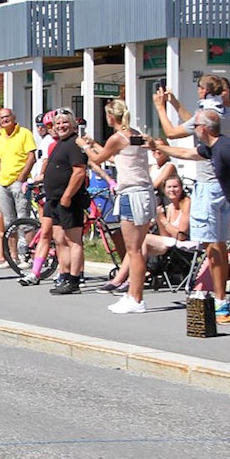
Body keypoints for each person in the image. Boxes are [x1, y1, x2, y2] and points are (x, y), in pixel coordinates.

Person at [153, 109, 230, 324]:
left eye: (195, 126)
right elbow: (188, 154)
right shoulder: (212, 147)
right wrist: (158, 146)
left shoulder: (226, 148)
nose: (193, 130)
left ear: (203, 129)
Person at [154, 86, 230, 315]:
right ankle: (220, 297)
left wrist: (160, 107)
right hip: (221, 186)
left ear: (206, 90)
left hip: (208, 188)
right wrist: (175, 103)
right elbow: (193, 123)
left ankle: (218, 298)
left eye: (199, 87)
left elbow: (172, 133)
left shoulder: (206, 116)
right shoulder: (226, 112)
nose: (197, 90)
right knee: (218, 245)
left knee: (212, 247)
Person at [82, 100, 155, 314]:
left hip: (131, 193)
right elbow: (117, 157)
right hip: (144, 192)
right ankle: (132, 293)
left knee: (134, 250)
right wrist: (94, 142)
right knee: (137, 248)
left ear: (110, 118)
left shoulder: (117, 137)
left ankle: (137, 298)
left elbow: (99, 158)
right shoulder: (134, 134)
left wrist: (85, 146)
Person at [38, 109, 88, 295]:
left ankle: (74, 279)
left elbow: (79, 172)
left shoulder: (75, 143)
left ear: (74, 125)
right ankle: (64, 275)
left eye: (65, 123)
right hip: (54, 200)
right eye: (58, 123)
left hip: (69, 200)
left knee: (73, 241)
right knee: (59, 240)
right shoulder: (60, 143)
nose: (61, 126)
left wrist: (67, 195)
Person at [0, 108, 37, 266]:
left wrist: (22, 176)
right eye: (1, 118)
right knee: (9, 222)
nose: (5, 120)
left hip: (18, 182)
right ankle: (13, 257)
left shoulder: (25, 133)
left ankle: (30, 256)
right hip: (3, 183)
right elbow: (0, 159)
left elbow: (31, 156)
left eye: (7, 117)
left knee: (24, 221)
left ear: (14, 117)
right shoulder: (1, 137)